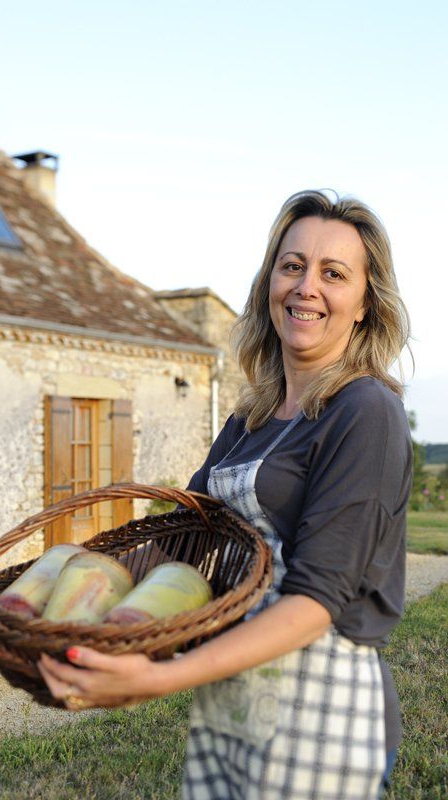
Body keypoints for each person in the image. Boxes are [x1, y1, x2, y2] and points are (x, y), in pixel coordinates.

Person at [38, 189, 413, 800]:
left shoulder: (366, 411)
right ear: (270, 280)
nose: (306, 286)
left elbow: (317, 600)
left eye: (334, 273)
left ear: (365, 305)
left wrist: (159, 677)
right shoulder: (252, 418)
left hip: (322, 710)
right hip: (235, 698)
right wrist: (80, 599)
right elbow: (185, 536)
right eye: (291, 265)